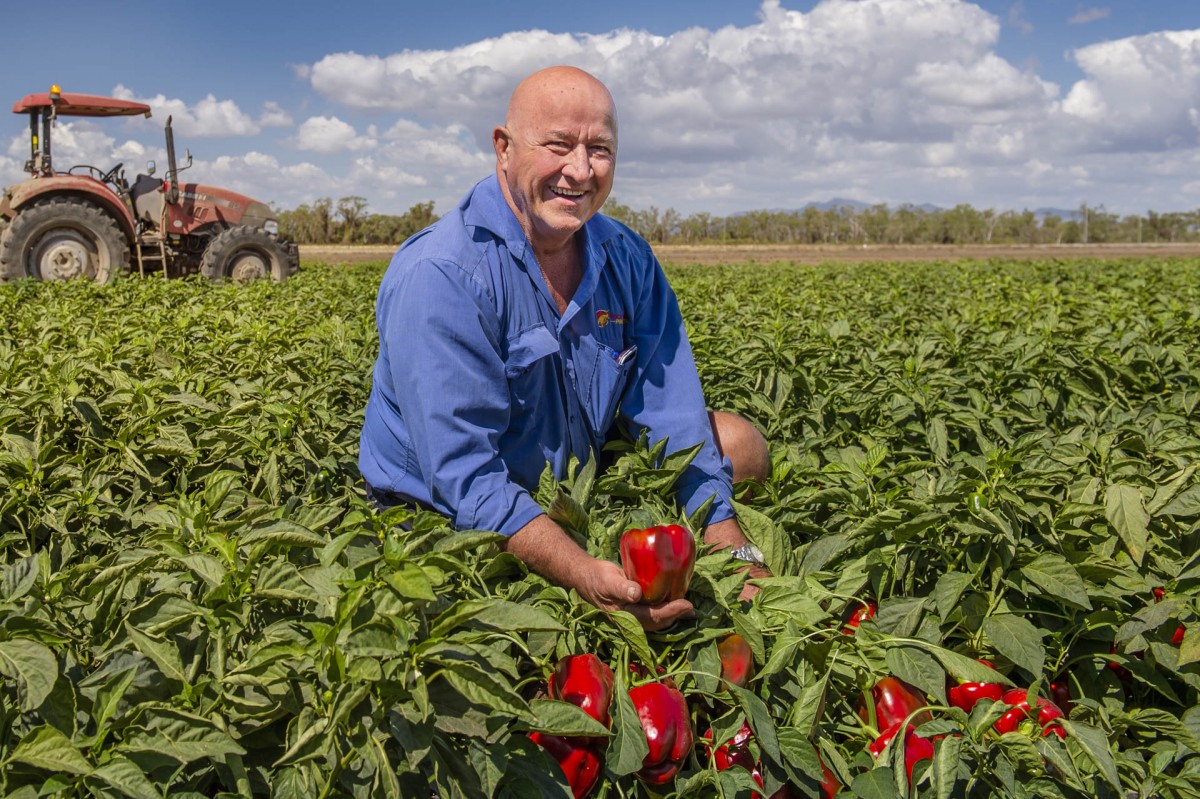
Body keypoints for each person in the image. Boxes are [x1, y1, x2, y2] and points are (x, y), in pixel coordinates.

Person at [359, 65, 771, 630]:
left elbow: (673, 412)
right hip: (440, 508)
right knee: (482, 627)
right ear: (503, 149)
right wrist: (582, 573)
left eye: (599, 149)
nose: (579, 170)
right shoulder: (444, 274)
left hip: (571, 475)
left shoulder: (625, 256)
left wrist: (734, 548)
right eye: (558, 145)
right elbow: (466, 476)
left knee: (739, 445)